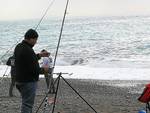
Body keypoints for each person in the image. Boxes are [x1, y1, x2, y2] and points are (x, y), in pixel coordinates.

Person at [14, 29, 49, 113]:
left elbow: (27, 60)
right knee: (27, 104)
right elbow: (34, 69)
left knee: (25, 102)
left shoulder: (18, 46)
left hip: (19, 80)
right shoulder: (28, 50)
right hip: (28, 82)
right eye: (36, 40)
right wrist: (44, 70)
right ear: (31, 39)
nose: (36, 42)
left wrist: (39, 55)